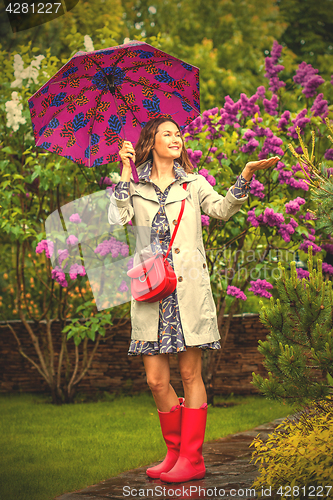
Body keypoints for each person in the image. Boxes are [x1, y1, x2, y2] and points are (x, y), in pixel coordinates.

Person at [108, 116, 279, 483]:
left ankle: (192, 458)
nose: (176, 138)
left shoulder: (193, 182)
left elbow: (221, 209)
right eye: (167, 134)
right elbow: (117, 217)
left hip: (187, 289)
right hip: (152, 290)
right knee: (156, 381)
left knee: (189, 374)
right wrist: (124, 170)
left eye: (178, 133)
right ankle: (173, 453)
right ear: (150, 141)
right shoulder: (134, 185)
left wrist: (245, 175)